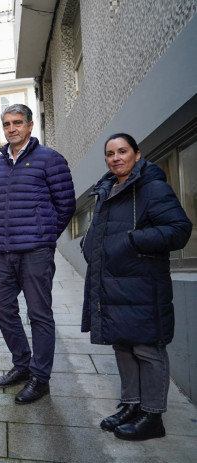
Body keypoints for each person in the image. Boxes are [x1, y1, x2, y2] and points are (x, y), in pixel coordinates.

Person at [81, 133, 191, 441]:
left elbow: (179, 229)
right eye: (110, 153)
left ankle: (152, 416)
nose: (116, 157)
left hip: (142, 285)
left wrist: (132, 241)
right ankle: (131, 405)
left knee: (147, 348)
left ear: (137, 155)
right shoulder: (108, 189)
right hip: (112, 283)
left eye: (122, 151)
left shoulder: (152, 188)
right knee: (123, 345)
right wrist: (90, 248)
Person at [0, 104, 75, 404]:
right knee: (1, 308)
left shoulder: (50, 159)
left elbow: (66, 204)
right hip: (3, 250)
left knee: (39, 314)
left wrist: (45, 237)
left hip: (35, 252)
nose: (11, 128)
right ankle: (22, 365)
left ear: (30, 125)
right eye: (6, 124)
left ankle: (40, 378)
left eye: (17, 123)